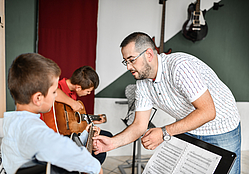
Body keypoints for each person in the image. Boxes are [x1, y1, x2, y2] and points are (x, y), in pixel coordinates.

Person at [93, 32, 241, 174]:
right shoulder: (143, 84)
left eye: (131, 60)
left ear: (149, 54)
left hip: (221, 128)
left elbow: (208, 112)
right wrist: (112, 143)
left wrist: (164, 132)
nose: (128, 67)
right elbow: (139, 125)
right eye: (125, 61)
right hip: (189, 127)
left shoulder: (179, 67)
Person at [1, 53, 103, 174]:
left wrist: (85, 132)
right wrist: (96, 167)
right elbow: (61, 149)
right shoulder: (32, 128)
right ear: (38, 98)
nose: (56, 96)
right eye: (54, 92)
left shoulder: (11, 121)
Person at [42, 65, 113, 164]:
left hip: (69, 131)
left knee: (106, 137)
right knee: (98, 151)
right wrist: (72, 102)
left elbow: (71, 119)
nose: (88, 93)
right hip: (56, 134)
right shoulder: (57, 86)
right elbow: (51, 91)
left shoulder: (74, 92)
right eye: (88, 91)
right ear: (78, 87)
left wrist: (90, 119)